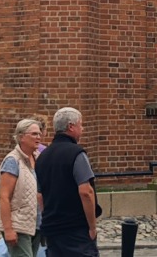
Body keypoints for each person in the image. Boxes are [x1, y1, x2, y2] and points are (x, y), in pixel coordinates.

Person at [37, 107, 99, 257]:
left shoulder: (43, 156)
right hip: (75, 228)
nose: (82, 129)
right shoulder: (77, 154)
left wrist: (48, 217)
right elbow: (86, 192)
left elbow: (40, 195)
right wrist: (92, 227)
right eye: (80, 125)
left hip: (52, 228)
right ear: (71, 127)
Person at [0, 118, 43, 257]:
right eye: (34, 134)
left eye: (39, 134)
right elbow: (4, 197)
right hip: (18, 225)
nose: (38, 137)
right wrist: (8, 229)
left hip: (36, 224)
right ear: (21, 137)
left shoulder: (39, 158)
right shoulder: (12, 161)